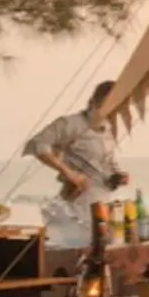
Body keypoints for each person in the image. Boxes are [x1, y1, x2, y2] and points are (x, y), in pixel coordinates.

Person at [24, 81, 127, 262]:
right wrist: (68, 172)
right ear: (97, 100)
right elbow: (38, 145)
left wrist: (117, 176)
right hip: (78, 201)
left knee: (105, 248)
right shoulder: (71, 124)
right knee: (86, 252)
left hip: (103, 200)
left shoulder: (107, 129)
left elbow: (106, 160)